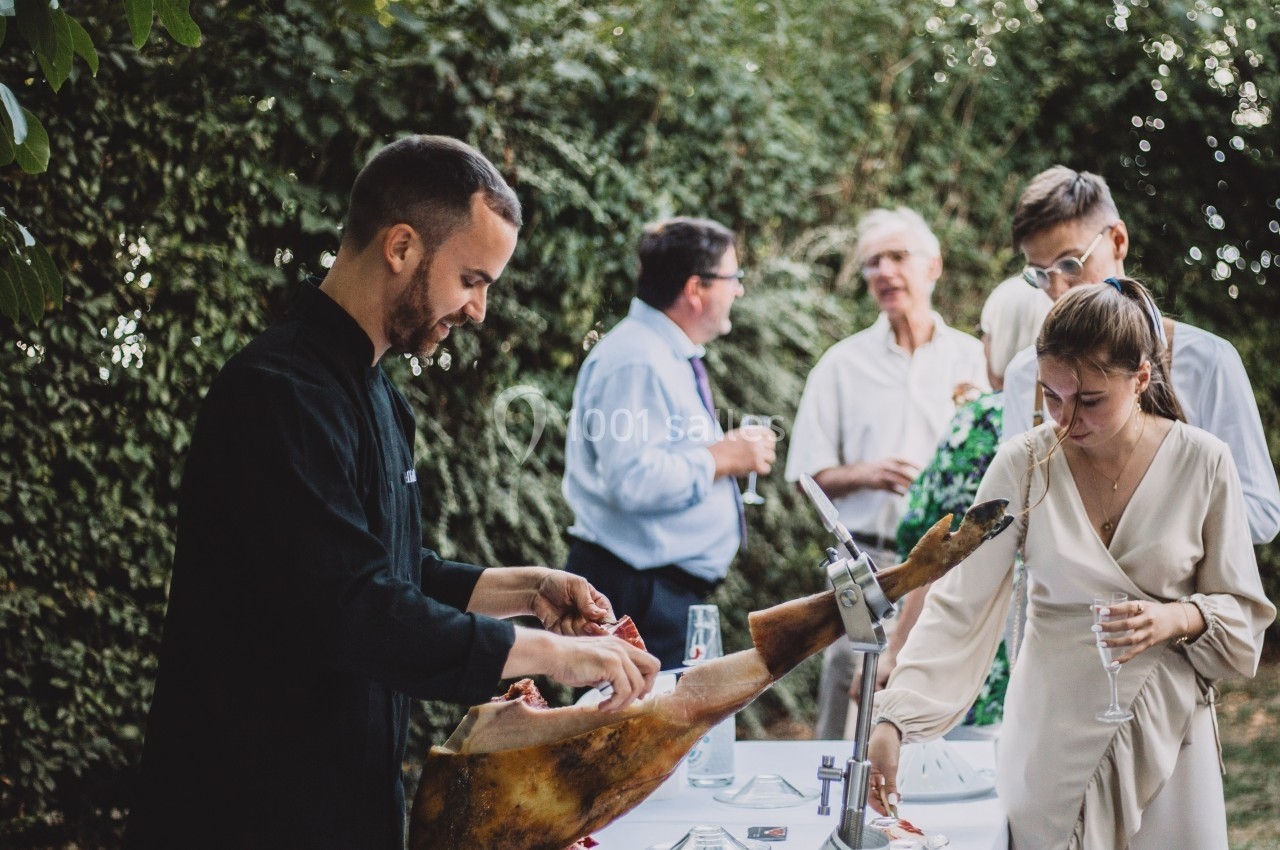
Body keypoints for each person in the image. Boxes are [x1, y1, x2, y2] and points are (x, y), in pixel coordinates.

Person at [124, 136, 660, 850]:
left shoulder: (380, 395)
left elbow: (395, 568)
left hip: (351, 800)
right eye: (473, 278)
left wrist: (527, 588)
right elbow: (352, 607)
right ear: (402, 246)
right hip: (248, 808)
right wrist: (550, 655)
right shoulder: (279, 393)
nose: (479, 310)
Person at [869, 278, 1276, 849]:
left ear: (1141, 378)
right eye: (1050, 396)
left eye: (1088, 401)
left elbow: (1241, 611)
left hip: (1166, 733)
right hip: (1048, 736)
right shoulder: (1023, 463)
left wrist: (1177, 619)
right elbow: (961, 606)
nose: (1063, 419)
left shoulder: (1204, 462)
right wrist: (895, 718)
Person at [785, 207, 987, 739]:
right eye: (872, 262)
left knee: (937, 711)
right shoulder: (841, 363)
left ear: (933, 266)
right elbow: (804, 475)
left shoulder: (974, 360)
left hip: (950, 569)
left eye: (898, 257)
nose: (884, 272)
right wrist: (867, 473)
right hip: (866, 571)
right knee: (848, 711)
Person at [1000, 165, 1280, 544]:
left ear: (1117, 240)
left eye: (1070, 264)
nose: (1058, 287)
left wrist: (1146, 520)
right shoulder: (1023, 374)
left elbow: (1262, 512)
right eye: (1040, 274)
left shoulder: (1208, 363)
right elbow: (1012, 514)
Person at [562, 217, 777, 670]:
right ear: (696, 288)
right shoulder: (637, 360)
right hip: (637, 595)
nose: (738, 290)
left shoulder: (658, 354)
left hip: (654, 592)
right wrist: (722, 458)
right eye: (733, 278)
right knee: (636, 737)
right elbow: (633, 481)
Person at [888, 275, 1050, 730]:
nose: (982, 344)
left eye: (986, 332)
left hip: (970, 625)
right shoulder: (1068, 424)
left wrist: (897, 652)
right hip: (1043, 624)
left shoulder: (978, 421)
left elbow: (930, 539)